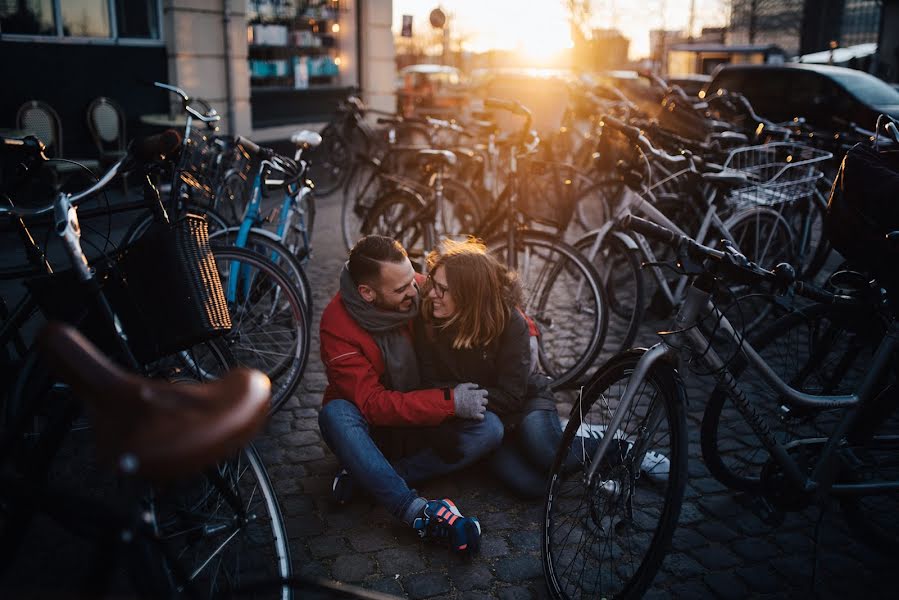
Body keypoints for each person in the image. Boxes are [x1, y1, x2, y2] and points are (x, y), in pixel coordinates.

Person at [317, 235, 502, 555]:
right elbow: (373, 406)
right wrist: (449, 402)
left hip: (422, 422)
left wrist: (527, 329)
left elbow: (479, 298)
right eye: (401, 289)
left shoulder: (413, 287)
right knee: (334, 415)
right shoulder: (336, 325)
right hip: (375, 429)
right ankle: (415, 510)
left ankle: (368, 478)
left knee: (490, 429)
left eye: (414, 279)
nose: (416, 291)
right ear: (367, 293)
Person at [415, 238, 567, 498]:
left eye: (442, 289)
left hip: (525, 402)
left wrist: (462, 396)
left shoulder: (510, 323)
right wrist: (454, 405)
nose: (431, 294)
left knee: (545, 451)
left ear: (468, 296)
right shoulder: (430, 321)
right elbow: (428, 383)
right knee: (533, 487)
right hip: (488, 420)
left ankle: (619, 448)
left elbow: (511, 395)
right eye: (433, 283)